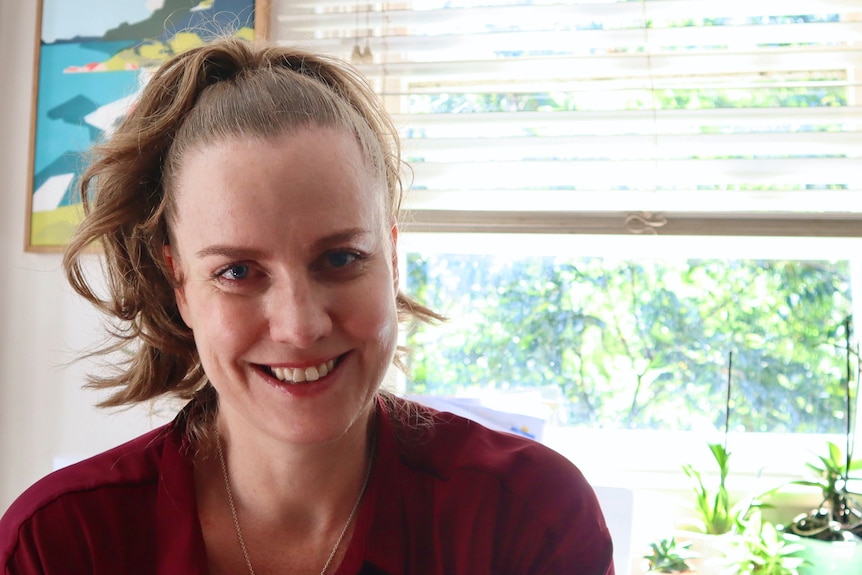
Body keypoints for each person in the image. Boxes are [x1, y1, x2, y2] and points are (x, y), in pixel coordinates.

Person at [0, 37, 614, 574]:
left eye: (341, 258)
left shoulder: (528, 518)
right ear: (180, 283)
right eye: (237, 272)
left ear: (392, 257)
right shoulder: (57, 544)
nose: (299, 326)